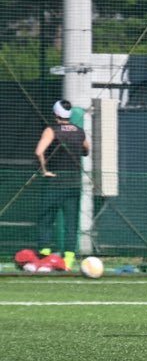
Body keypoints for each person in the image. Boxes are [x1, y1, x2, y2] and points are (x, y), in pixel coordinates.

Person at [35, 100, 89, 270]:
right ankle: (69, 260)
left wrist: (45, 170)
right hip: (74, 184)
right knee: (71, 224)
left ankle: (45, 255)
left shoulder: (52, 130)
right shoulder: (79, 131)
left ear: (56, 114)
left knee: (46, 219)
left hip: (55, 183)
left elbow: (39, 151)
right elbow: (86, 150)